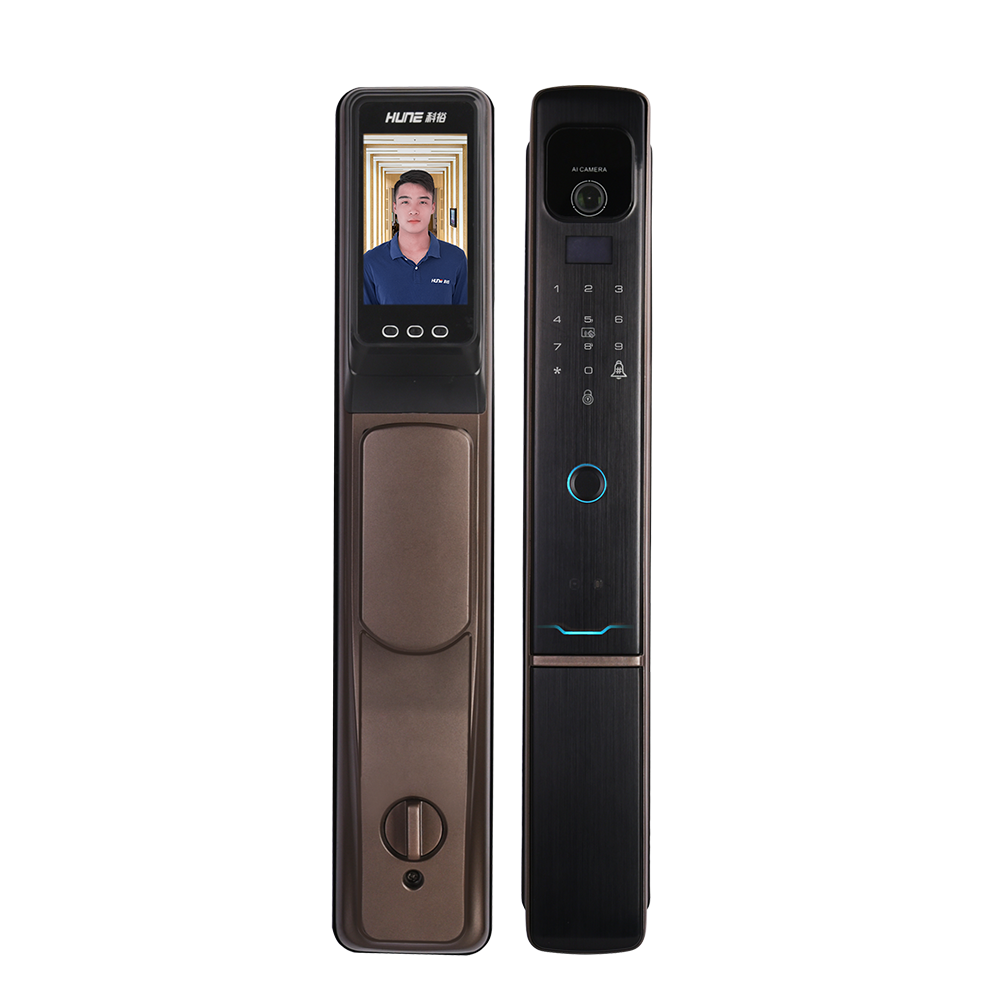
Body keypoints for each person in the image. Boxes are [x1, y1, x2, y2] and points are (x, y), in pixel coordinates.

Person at [363, 170, 468, 305]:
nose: (413, 210)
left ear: (433, 208)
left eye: (422, 202)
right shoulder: (371, 261)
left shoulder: (456, 258)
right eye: (405, 202)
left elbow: (464, 315)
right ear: (395, 208)